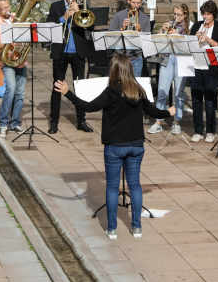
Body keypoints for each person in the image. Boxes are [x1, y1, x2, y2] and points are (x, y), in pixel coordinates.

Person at [53, 53, 174, 240]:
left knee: (111, 187)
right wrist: (168, 112)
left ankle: (112, 229)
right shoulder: (139, 90)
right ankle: (136, 228)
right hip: (135, 146)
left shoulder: (111, 91)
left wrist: (67, 92)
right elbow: (153, 111)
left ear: (114, 70)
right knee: (135, 186)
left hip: (115, 147)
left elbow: (88, 106)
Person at [45, 0, 93, 133]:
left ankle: (81, 121)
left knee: (80, 88)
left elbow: (90, 27)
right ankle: (54, 123)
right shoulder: (56, 6)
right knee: (57, 87)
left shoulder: (83, 6)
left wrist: (79, 13)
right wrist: (64, 16)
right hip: (61, 52)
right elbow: (49, 26)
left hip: (78, 53)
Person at [189, 0, 218, 143]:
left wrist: (208, 39)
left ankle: (210, 131)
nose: (205, 17)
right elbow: (189, 43)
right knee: (196, 100)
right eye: (203, 14)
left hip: (211, 68)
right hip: (196, 67)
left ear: (213, 15)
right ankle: (198, 130)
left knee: (210, 101)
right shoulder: (196, 25)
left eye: (208, 14)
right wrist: (196, 38)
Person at [148, 3, 191, 136]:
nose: (176, 17)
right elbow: (158, 42)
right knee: (162, 91)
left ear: (185, 15)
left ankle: (176, 122)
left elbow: (189, 43)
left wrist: (177, 34)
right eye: (174, 14)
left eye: (179, 15)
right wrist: (162, 31)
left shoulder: (189, 26)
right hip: (167, 59)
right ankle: (159, 121)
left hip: (181, 61)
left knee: (178, 93)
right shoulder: (170, 24)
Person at [0, 0, 26, 138]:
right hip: (7, 61)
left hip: (21, 60)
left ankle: (15, 123)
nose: (7, 10)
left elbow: (27, 34)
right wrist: (5, 42)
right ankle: (3, 123)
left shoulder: (17, 19)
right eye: (3, 8)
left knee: (20, 93)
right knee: (11, 88)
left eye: (8, 7)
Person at [108, 0, 151, 76]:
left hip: (136, 57)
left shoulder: (145, 18)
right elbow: (110, 36)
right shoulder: (119, 15)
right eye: (134, 2)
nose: (136, 5)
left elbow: (148, 41)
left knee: (134, 85)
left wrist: (140, 31)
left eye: (138, 3)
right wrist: (122, 28)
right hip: (120, 57)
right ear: (128, 1)